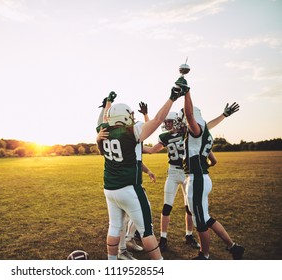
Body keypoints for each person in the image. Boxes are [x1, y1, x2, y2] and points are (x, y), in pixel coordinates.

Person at [140, 101, 239, 252]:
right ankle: (164, 238)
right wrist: (135, 146)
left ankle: (190, 236)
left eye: (170, 121)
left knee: (191, 209)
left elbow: (206, 125)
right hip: (175, 172)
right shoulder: (170, 135)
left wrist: (223, 115)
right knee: (169, 207)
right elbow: (153, 147)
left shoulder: (190, 131)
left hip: (190, 175)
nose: (167, 124)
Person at [96, 88, 181, 260]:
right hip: (129, 188)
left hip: (110, 189)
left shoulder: (103, 131)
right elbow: (158, 120)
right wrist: (172, 98)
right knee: (146, 230)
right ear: (126, 116)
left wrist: (107, 104)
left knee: (114, 227)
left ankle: (112, 262)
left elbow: (102, 119)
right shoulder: (131, 131)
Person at [176, 76, 245, 260]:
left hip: (197, 179)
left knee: (201, 222)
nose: (183, 121)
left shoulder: (195, 128)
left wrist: (187, 93)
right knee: (205, 217)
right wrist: (224, 115)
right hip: (201, 177)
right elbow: (208, 124)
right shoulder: (203, 131)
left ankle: (204, 256)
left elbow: (190, 116)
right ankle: (233, 247)